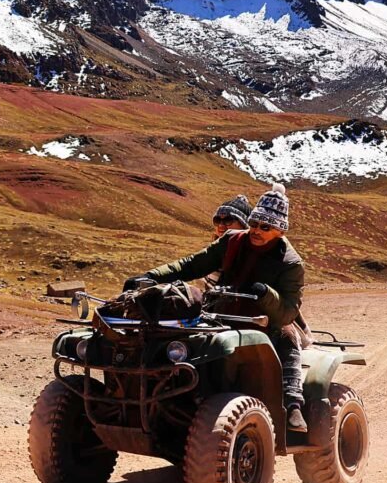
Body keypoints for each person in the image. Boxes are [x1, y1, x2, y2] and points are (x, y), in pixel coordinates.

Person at [124, 184, 308, 432]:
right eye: (254, 224)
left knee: (287, 337)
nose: (256, 231)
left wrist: (266, 294)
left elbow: (288, 310)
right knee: (181, 333)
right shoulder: (231, 241)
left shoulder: (290, 263)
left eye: (265, 227)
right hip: (221, 309)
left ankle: (293, 403)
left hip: (266, 318)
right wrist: (151, 277)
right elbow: (191, 265)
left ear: (279, 231)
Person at [204, 194, 253, 288]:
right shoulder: (212, 250)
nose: (221, 225)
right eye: (217, 220)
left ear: (245, 226)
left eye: (228, 220)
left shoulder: (249, 257)